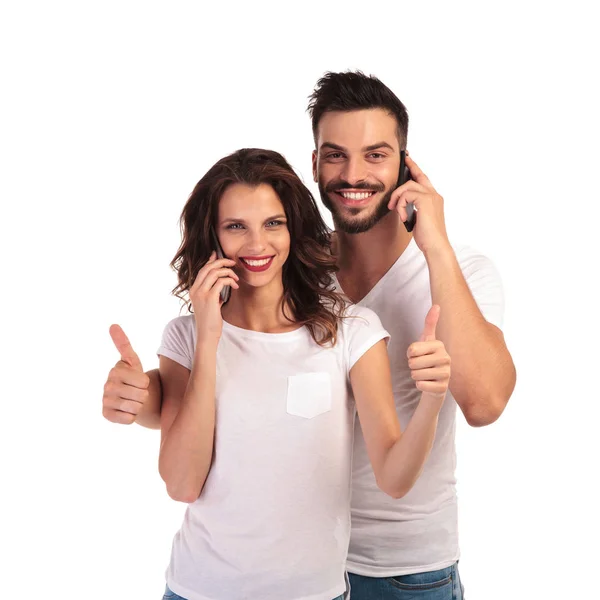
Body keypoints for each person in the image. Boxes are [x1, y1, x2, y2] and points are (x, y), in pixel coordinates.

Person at [103, 72, 517, 599]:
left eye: (376, 155)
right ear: (315, 163)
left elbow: (484, 402)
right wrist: (142, 398)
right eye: (336, 154)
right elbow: (237, 380)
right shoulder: (286, 262)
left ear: (406, 165)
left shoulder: (460, 271)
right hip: (282, 565)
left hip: (402, 564)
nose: (353, 173)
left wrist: (434, 244)